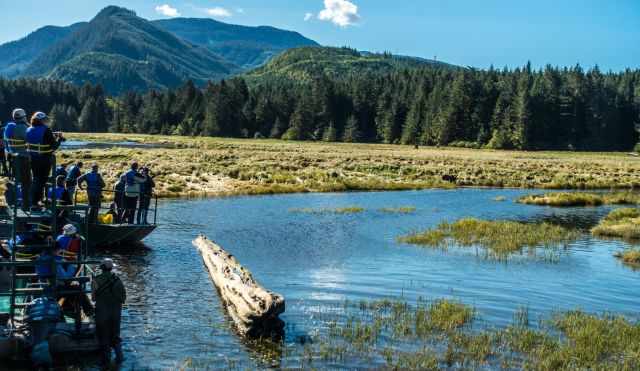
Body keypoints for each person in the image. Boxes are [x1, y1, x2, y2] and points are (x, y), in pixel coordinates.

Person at [26, 112, 64, 210]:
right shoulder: (46, 130)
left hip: (33, 159)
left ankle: (36, 201)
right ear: (41, 120)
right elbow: (53, 146)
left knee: (36, 179)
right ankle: (35, 202)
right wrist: (59, 139)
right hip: (44, 159)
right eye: (44, 119)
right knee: (41, 180)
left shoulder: (29, 129)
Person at [92, 258, 126, 366]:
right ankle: (120, 359)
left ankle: (106, 363)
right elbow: (123, 298)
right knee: (116, 336)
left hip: (102, 313)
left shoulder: (96, 280)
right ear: (111, 268)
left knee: (103, 337)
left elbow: (93, 298)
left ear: (101, 268)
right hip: (116, 313)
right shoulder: (118, 280)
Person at [4, 108, 32, 211]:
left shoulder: (10, 127)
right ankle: (27, 204)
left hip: (14, 157)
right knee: (27, 182)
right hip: (24, 157)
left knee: (21, 182)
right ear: (23, 117)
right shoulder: (22, 128)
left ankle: (19, 203)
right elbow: (30, 139)